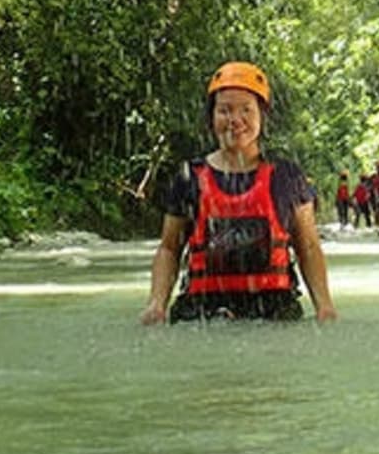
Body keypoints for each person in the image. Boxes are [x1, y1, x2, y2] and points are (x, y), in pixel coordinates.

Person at [140, 61, 337, 324]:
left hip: (273, 312)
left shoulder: (286, 177)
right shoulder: (189, 177)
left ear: (262, 116)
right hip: (202, 314)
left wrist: (324, 306)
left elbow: (309, 247)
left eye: (246, 110)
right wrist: (157, 304)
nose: (235, 120)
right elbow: (169, 249)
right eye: (225, 110)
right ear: (212, 117)